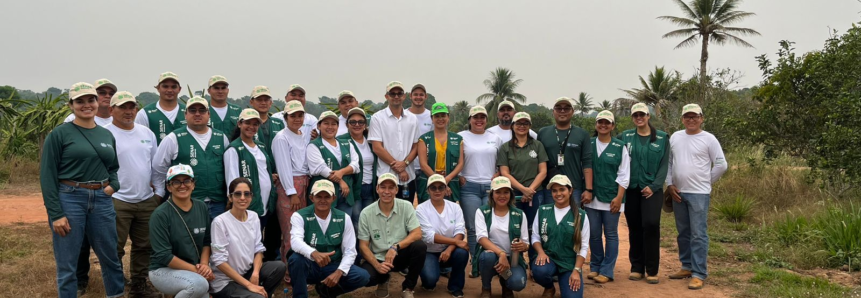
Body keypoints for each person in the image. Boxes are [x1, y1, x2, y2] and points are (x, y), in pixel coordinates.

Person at [40, 82, 125, 298]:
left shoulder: (106, 135)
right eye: (80, 101)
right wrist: (56, 214)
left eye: (90, 100)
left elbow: (113, 167)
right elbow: (47, 176)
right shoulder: (59, 134)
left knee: (111, 258)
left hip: (101, 199)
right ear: (71, 105)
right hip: (70, 198)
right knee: (67, 263)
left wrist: (113, 185)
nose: (86, 105)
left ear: (97, 103)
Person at [104, 91, 161, 298]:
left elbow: (155, 166)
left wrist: (158, 192)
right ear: (111, 110)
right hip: (117, 199)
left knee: (144, 245)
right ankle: (116, 285)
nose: (128, 112)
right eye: (123, 107)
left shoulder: (146, 133)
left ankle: (139, 284)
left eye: (132, 107)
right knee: (115, 246)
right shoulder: (104, 133)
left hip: (146, 198)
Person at [666, 104, 729, 290]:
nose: (691, 120)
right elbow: (669, 162)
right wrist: (669, 184)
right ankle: (686, 266)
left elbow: (721, 164)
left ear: (701, 118)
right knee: (683, 232)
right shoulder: (676, 137)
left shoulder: (709, 139)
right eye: (687, 116)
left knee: (698, 234)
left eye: (695, 117)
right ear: (682, 119)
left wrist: (707, 182)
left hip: (699, 194)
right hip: (678, 192)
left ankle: (699, 273)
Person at [67, 78, 118, 296]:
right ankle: (80, 281)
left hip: (104, 192)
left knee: (108, 244)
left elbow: (113, 164)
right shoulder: (71, 122)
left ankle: (114, 287)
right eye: (102, 92)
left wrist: (113, 185)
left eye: (109, 93)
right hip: (76, 192)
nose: (106, 96)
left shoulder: (114, 124)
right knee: (78, 243)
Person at [288, 180, 371, 298]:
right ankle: (300, 295)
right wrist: (314, 253)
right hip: (309, 265)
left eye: (327, 196)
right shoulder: (299, 216)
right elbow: (295, 241)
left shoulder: (344, 218)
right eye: (318, 196)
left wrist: (339, 272)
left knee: (363, 276)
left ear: (334, 198)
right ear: (311, 198)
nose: (323, 200)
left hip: (333, 265)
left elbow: (350, 251)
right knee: (296, 259)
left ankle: (326, 291)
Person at [617, 102, 669, 284]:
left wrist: (655, 186)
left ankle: (652, 269)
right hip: (631, 190)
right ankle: (636, 267)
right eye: (635, 115)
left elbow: (664, 165)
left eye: (642, 114)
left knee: (651, 225)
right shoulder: (625, 136)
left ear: (648, 116)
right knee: (635, 228)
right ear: (632, 118)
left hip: (652, 191)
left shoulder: (662, 138)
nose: (639, 118)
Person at [153, 96, 230, 219]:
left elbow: (228, 168)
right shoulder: (173, 138)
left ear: (209, 114)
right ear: (185, 114)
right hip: (188, 202)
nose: (197, 114)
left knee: (217, 237)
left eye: (202, 110)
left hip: (218, 202)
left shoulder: (221, 137)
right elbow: (159, 167)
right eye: (193, 110)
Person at [210, 178, 287, 298]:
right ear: (230, 197)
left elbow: (258, 249)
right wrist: (248, 285)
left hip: (247, 273)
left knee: (279, 267)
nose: (242, 197)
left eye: (247, 194)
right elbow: (219, 261)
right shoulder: (220, 222)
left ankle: (258, 293)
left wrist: (255, 273)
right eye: (237, 194)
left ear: (251, 197)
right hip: (225, 282)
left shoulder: (254, 216)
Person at [148, 164, 213, 298]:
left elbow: (207, 240)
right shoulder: (160, 214)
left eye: (187, 181)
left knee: (203, 294)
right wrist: (198, 271)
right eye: (176, 181)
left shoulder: (201, 207)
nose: (182, 185)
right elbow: (164, 256)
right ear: (169, 187)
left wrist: (205, 265)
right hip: (163, 270)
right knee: (199, 285)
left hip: (195, 269)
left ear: (193, 184)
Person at [358, 173, 427, 298]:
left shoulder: (406, 206)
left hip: (399, 254)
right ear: (377, 189)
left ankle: (408, 288)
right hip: (378, 257)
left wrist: (395, 247)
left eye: (391, 187)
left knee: (419, 246)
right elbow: (363, 246)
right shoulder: (366, 213)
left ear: (396, 190)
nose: (387, 191)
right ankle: (383, 280)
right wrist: (377, 265)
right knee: (367, 278)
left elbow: (417, 233)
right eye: (383, 187)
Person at [583, 110, 630, 284]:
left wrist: (619, 197)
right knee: (593, 234)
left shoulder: (619, 146)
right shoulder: (588, 143)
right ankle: (595, 266)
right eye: (600, 122)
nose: (603, 125)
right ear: (596, 124)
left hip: (612, 197)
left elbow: (624, 174)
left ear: (613, 126)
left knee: (610, 234)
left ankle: (607, 269)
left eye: (607, 122)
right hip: (591, 198)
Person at [497, 112, 548, 260]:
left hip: (535, 193)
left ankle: (534, 262)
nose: (522, 126)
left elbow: (543, 171)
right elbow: (504, 172)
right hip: (513, 194)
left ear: (529, 126)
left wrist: (530, 190)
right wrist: (523, 190)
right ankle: (514, 261)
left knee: (535, 229)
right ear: (512, 126)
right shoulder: (506, 147)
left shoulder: (537, 145)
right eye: (518, 123)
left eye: (525, 124)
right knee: (513, 227)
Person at [531, 175, 590, 298]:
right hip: (549, 259)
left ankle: (567, 280)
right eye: (554, 190)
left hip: (569, 264)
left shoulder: (581, 215)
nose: (558, 193)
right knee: (539, 271)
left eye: (562, 189)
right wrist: (541, 252)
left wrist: (576, 271)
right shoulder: (543, 210)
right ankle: (549, 287)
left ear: (570, 191)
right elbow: (535, 237)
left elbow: (583, 247)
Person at [271, 100, 311, 283]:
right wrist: (291, 192)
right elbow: (284, 167)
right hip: (291, 186)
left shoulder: (302, 134)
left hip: (305, 182)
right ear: (285, 117)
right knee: (290, 231)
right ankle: (290, 274)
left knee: (302, 229)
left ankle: (300, 269)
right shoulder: (281, 137)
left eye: (300, 115)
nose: (297, 119)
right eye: (292, 115)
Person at [224, 109, 278, 240]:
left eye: (255, 124)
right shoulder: (234, 149)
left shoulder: (261, 146)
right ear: (239, 124)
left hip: (265, 203)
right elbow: (232, 181)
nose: (251, 127)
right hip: (248, 205)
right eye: (248, 123)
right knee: (246, 240)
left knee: (259, 240)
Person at [536, 97, 593, 219]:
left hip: (574, 188)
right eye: (559, 108)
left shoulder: (582, 134)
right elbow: (538, 160)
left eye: (566, 108)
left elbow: (587, 162)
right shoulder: (543, 132)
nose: (562, 111)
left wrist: (588, 189)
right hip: (550, 188)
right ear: (553, 111)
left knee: (573, 222)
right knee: (549, 221)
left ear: (572, 111)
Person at [473, 176, 529, 298]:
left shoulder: (519, 214)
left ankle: (506, 285)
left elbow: (526, 243)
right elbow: (481, 238)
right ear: (492, 194)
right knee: (487, 257)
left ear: (511, 194)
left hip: (512, 260)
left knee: (517, 282)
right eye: (498, 192)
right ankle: (486, 287)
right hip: (492, 257)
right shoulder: (482, 211)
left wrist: (523, 245)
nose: (502, 196)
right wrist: (501, 254)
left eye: (506, 192)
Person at [458, 105, 503, 255]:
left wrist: (498, 174)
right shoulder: (461, 137)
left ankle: (489, 260)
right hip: (469, 187)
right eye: (475, 117)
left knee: (489, 225)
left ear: (486, 120)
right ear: (469, 119)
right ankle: (475, 260)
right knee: (472, 227)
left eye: (482, 117)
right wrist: (459, 176)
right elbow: (455, 160)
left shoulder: (495, 138)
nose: (479, 120)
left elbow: (501, 162)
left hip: (491, 188)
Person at [247, 86, 286, 261]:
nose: (263, 103)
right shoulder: (247, 123)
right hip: (259, 179)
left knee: (274, 222)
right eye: (259, 99)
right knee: (256, 220)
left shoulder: (278, 123)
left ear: (271, 102)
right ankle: (253, 259)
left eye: (266, 99)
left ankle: (272, 259)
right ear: (251, 102)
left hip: (279, 179)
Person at [416, 174, 468, 297]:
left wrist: (449, 249)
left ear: (446, 189)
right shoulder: (420, 209)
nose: (437, 191)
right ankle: (434, 271)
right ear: (428, 190)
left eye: (441, 187)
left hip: (449, 250)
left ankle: (455, 286)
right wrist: (455, 242)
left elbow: (459, 230)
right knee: (429, 282)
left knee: (462, 253)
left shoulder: (455, 207)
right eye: (433, 188)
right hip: (429, 251)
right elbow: (429, 236)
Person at [368, 81, 421, 200]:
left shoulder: (412, 119)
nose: (396, 96)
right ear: (386, 96)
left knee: (405, 214)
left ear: (404, 96)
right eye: (392, 94)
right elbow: (377, 147)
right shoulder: (377, 118)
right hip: (385, 177)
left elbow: (416, 146)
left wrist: (405, 164)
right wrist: (399, 168)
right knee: (384, 215)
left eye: (399, 93)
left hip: (408, 177)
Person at [307, 111, 360, 217]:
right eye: (326, 123)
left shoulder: (346, 143)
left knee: (344, 224)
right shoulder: (313, 145)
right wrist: (341, 181)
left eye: (333, 124)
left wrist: (341, 172)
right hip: (323, 194)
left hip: (345, 194)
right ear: (319, 126)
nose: (330, 127)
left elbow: (356, 165)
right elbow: (320, 168)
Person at [337, 107, 378, 230]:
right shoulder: (341, 141)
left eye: (361, 122)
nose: (357, 125)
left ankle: (366, 248)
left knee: (368, 221)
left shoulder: (371, 141)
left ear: (365, 125)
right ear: (346, 124)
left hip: (370, 187)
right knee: (355, 220)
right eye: (353, 122)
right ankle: (355, 249)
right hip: (353, 187)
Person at [416, 102, 464, 203]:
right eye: (437, 116)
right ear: (432, 119)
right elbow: (423, 165)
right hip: (429, 181)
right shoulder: (424, 139)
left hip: (451, 182)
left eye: (443, 116)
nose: (440, 119)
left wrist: (446, 180)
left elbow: (460, 163)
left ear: (448, 117)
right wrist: (439, 182)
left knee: (450, 214)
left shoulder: (458, 139)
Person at [136, 71, 187, 145]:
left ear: (179, 89)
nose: (169, 90)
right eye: (165, 86)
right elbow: (138, 140)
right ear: (158, 88)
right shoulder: (145, 113)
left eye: (173, 87)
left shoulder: (189, 111)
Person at [406, 83, 434, 198]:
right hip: (407, 168)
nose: (418, 97)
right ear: (410, 96)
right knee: (406, 203)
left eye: (421, 95)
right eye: (415, 94)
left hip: (426, 168)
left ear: (426, 97)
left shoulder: (431, 116)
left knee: (426, 203)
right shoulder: (403, 115)